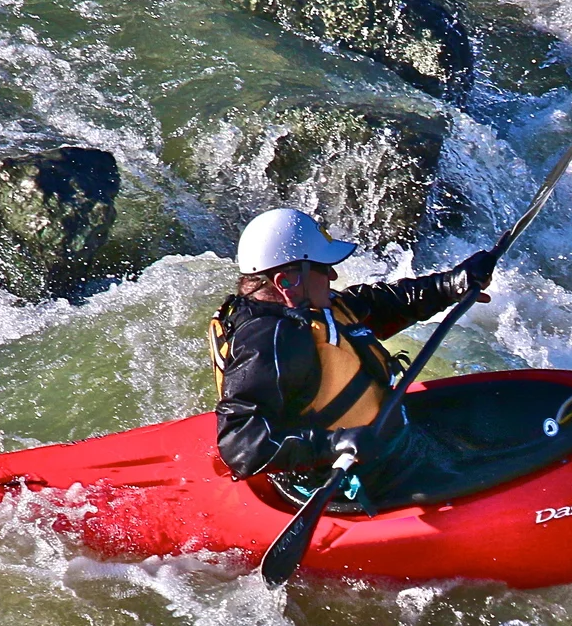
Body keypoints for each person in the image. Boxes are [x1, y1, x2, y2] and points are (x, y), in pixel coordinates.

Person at [210, 207, 495, 499]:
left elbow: (384, 306)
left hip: (387, 444)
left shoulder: (308, 307)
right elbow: (240, 444)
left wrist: (449, 285)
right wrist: (333, 444)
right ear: (285, 282)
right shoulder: (269, 341)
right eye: (322, 267)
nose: (333, 274)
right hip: (345, 477)